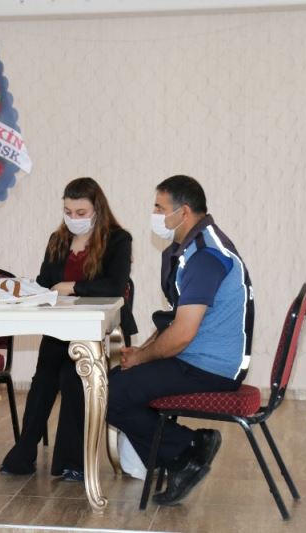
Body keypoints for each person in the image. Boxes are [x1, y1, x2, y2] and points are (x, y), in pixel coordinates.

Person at [107, 174, 254, 505]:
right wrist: (143, 350)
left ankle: (188, 449)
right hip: (197, 358)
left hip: (210, 367)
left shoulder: (205, 255)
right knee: (115, 383)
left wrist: (143, 357)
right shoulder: (191, 248)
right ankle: (180, 456)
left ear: (184, 211)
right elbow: (175, 318)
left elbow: (183, 333)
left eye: (160, 208)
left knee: (110, 394)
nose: (155, 215)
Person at [0, 177, 137, 480]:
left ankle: (73, 460)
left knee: (72, 376)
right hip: (61, 327)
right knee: (43, 379)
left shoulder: (118, 239)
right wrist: (28, 290)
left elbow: (115, 286)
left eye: (81, 212)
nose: (74, 218)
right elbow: (45, 282)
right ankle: (24, 452)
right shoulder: (58, 239)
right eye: (68, 212)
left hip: (99, 331)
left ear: (97, 209)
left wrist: (73, 286)